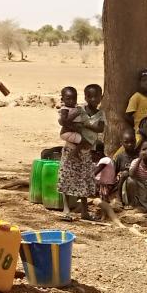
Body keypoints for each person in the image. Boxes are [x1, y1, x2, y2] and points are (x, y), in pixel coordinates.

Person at [58, 84, 105, 221]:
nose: (93, 99)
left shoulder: (100, 114)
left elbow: (100, 128)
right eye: (90, 96)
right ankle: (66, 210)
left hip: (86, 152)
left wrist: (85, 125)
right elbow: (64, 122)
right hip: (70, 148)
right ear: (85, 97)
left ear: (101, 98)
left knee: (84, 180)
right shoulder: (79, 110)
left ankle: (85, 212)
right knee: (66, 177)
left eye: (96, 96)